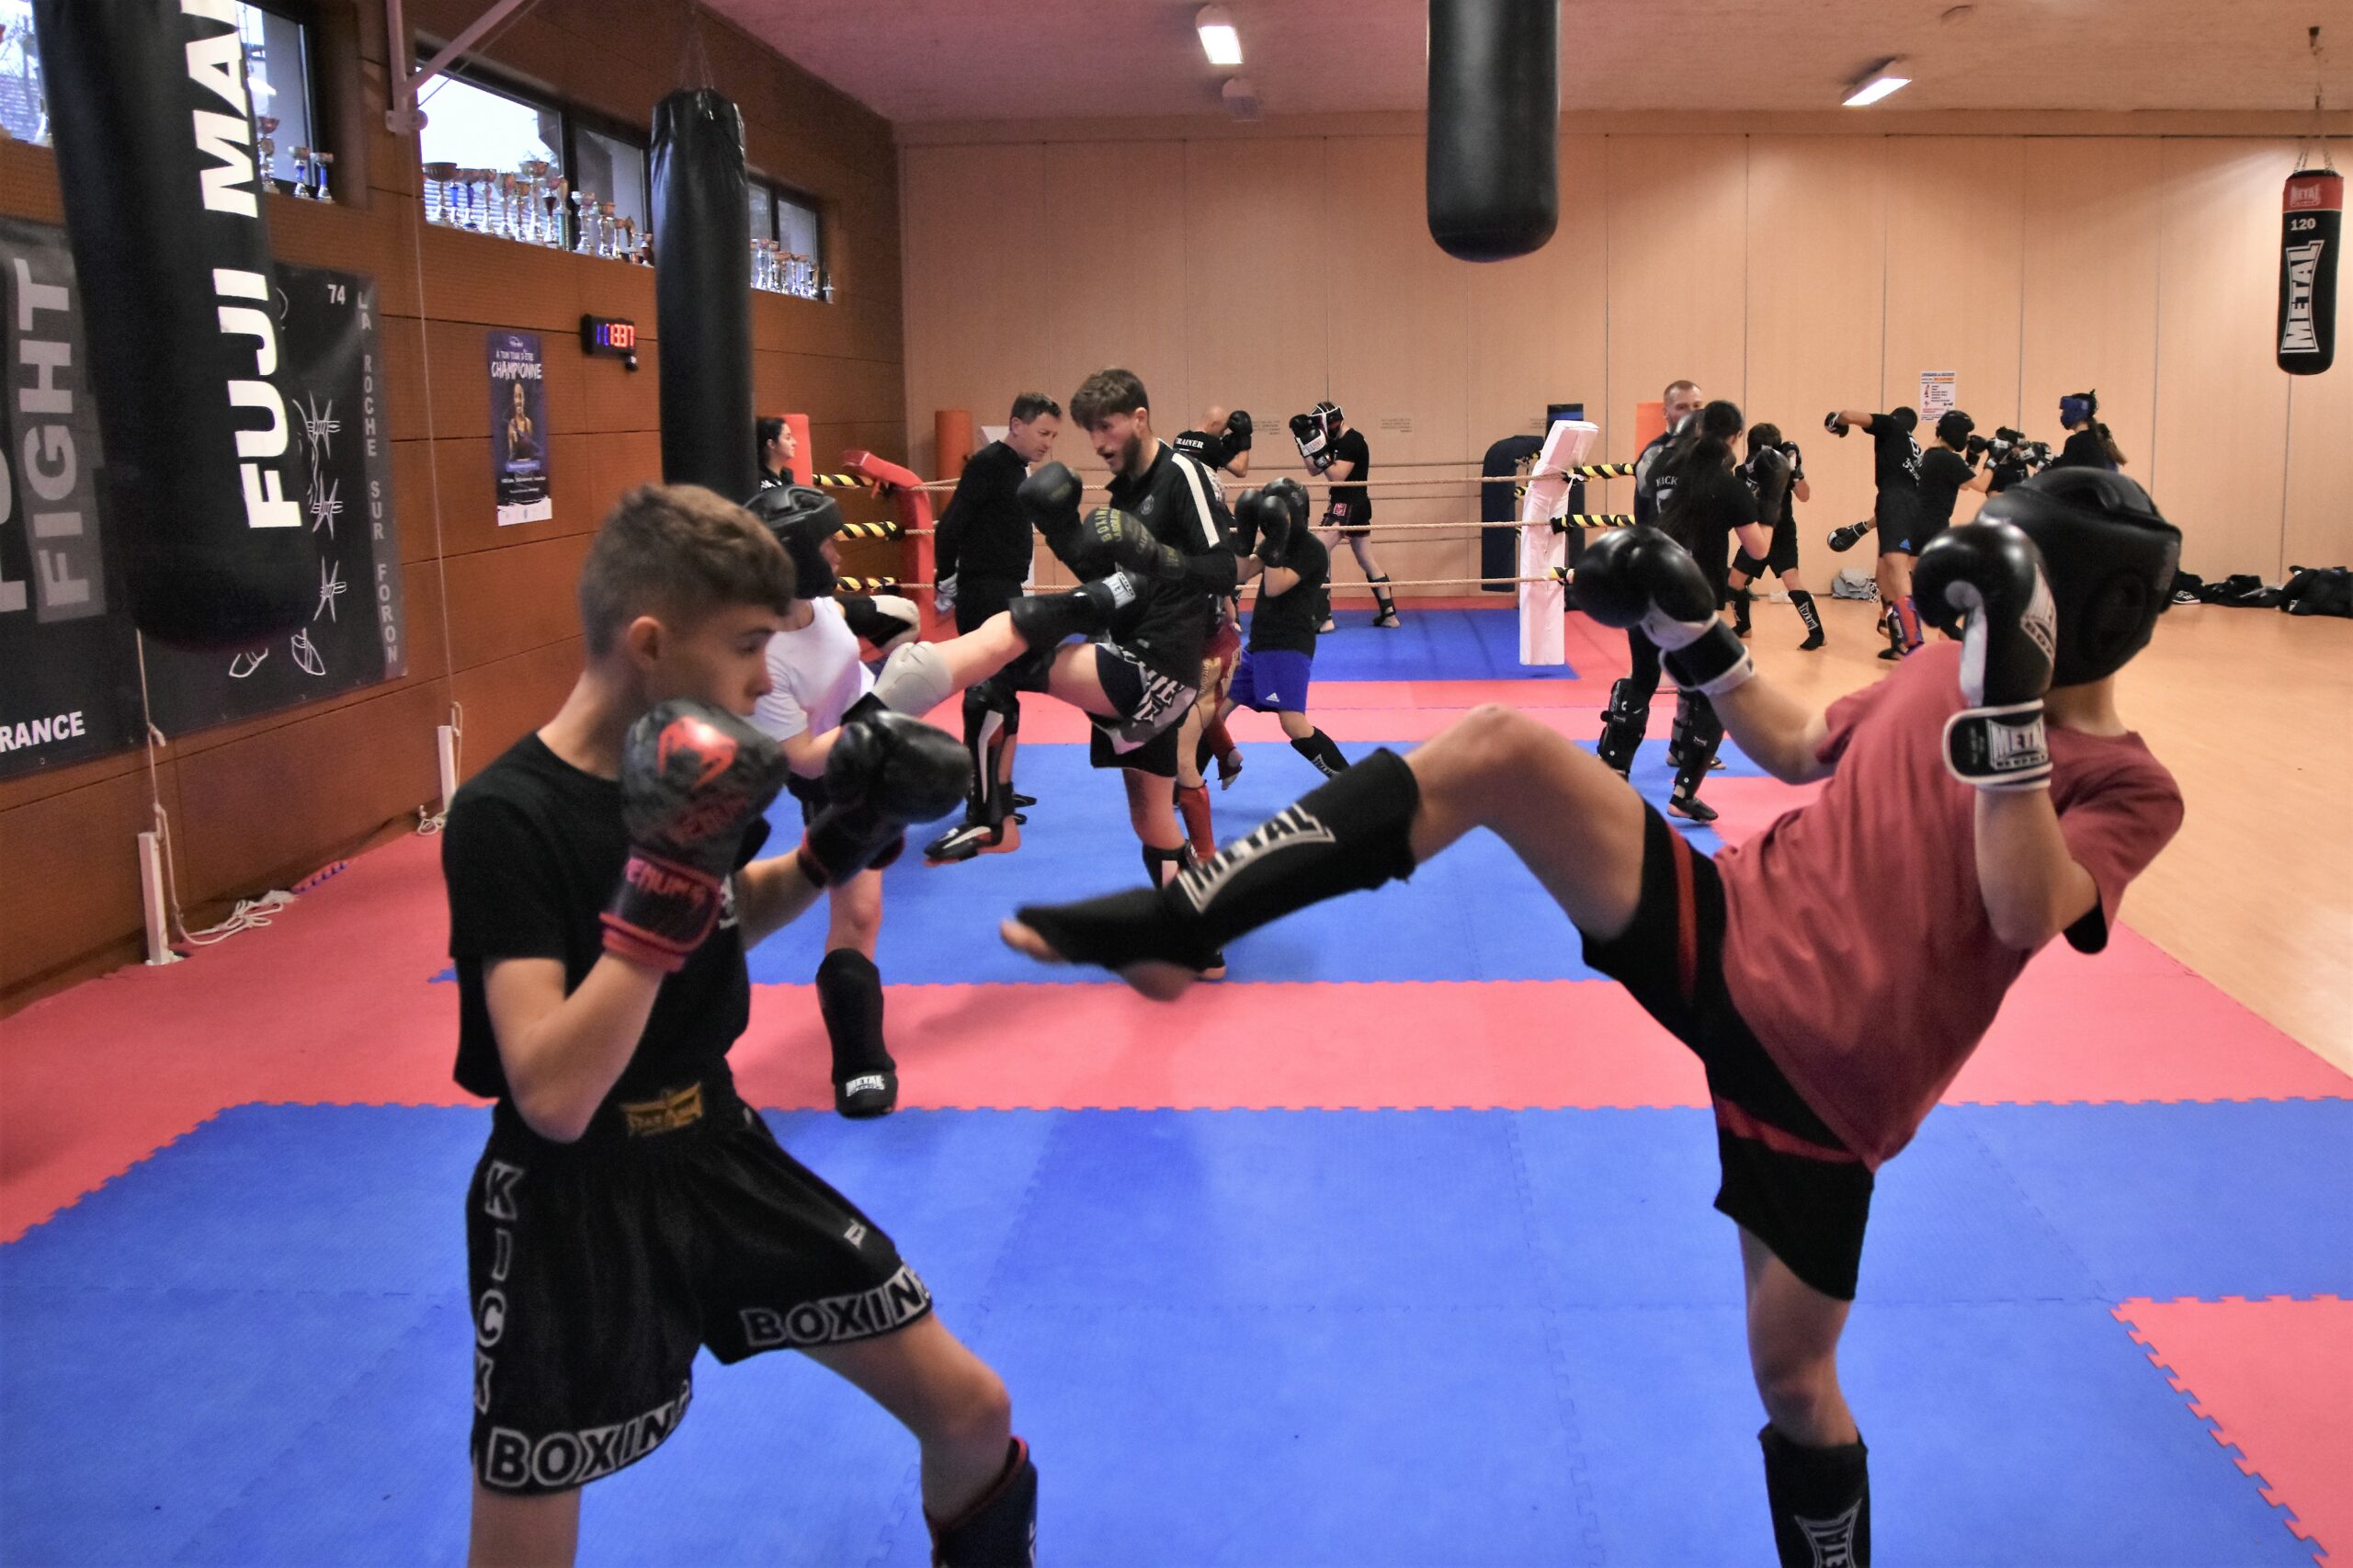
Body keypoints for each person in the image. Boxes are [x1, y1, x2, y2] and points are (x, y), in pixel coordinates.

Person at [1003, 466, 2187, 1568]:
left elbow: (2023, 905)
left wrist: (2009, 707)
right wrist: (1690, 630)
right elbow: (1793, 746)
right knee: (1502, 748)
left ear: (2088, 609)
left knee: (1793, 1381)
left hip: (1831, 1080)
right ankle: (1187, 915)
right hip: (1727, 927)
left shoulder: (2129, 785)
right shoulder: (1935, 670)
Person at [441, 483, 1035, 1566]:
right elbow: (553, 1092)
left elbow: (718, 919)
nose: (766, 679)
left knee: (970, 1409)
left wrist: (827, 850)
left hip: (718, 1147)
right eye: (748, 645)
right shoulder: (506, 817)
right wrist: (662, 884)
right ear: (651, 644)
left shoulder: (690, 768)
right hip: (572, 1197)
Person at [914, 370, 1238, 917]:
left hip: (1156, 663)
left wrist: (1159, 557)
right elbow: (1107, 578)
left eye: (1106, 427)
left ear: (1139, 418)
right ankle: (1197, 935)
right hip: (1132, 650)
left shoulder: (1183, 475)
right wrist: (1061, 527)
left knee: (1002, 664)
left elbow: (1225, 568)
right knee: (1151, 820)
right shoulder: (1125, 491)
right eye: (1090, 431)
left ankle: (993, 818)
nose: (1098, 442)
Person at [745, 485, 926, 1119]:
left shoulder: (815, 602)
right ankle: (859, 1062)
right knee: (860, 914)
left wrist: (876, 616)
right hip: (834, 767)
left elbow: (835, 635)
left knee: (865, 914)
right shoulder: (763, 653)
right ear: (795, 557)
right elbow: (800, 756)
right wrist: (883, 721)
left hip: (868, 734)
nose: (839, 554)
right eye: (826, 545)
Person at [928, 393, 1063, 844]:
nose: (1047, 443)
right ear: (1016, 425)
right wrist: (945, 577)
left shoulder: (1014, 469)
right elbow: (952, 523)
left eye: (1053, 435)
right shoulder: (988, 465)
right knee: (988, 694)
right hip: (983, 590)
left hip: (1003, 589)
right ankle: (980, 797)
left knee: (1006, 691)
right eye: (1042, 433)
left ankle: (999, 788)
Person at [1646, 400, 1772, 824]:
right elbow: (1759, 549)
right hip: (1696, 594)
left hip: (1652, 583)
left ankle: (1667, 751)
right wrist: (1772, 501)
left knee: (1665, 677)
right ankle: (1684, 792)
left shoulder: (1667, 469)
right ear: (1736, 437)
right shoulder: (1727, 485)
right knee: (1719, 690)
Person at [1596, 379, 1708, 781]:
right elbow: (1651, 507)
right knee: (1646, 672)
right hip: (1654, 578)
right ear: (1666, 413)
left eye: (1697, 405)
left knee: (1696, 671)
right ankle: (1615, 761)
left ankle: (1683, 748)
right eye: (1682, 407)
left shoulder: (1710, 457)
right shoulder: (1656, 457)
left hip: (1694, 581)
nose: (1691, 413)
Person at [1222, 480, 1349, 776]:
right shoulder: (1274, 543)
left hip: (1289, 647)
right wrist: (1244, 537)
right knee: (1214, 712)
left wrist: (1275, 543)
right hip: (1259, 645)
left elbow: (1275, 586)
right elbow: (1241, 573)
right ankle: (1189, 786)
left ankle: (1349, 783)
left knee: (1293, 723)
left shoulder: (1312, 550)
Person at [1824, 405, 1926, 659]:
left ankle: (1915, 644)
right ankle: (1897, 642)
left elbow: (1848, 415)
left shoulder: (1891, 426)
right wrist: (1864, 527)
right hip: (1903, 504)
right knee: (1883, 578)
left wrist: (1836, 423)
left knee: (1897, 570)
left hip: (1894, 500)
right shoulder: (1913, 448)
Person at [1291, 401, 1398, 631]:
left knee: (1317, 551)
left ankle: (1325, 618)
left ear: (1326, 422)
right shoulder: (1335, 441)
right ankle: (1389, 615)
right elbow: (1313, 470)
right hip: (1353, 505)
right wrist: (1304, 444)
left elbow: (1337, 476)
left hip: (1347, 504)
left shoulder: (1352, 440)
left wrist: (1320, 453)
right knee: (1366, 560)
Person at [1725, 424, 1824, 651]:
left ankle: (1817, 633)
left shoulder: (1783, 469)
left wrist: (1796, 472)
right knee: (1735, 581)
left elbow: (1804, 496)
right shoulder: (1742, 471)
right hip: (1756, 534)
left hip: (1782, 533)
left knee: (1792, 580)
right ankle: (1743, 627)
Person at [1915, 411, 1993, 565]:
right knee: (1935, 569)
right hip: (1933, 523)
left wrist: (1973, 458)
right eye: (1965, 433)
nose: (1967, 438)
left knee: (1920, 569)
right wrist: (1994, 460)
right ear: (1956, 433)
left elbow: (1963, 485)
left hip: (1919, 521)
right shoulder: (1949, 458)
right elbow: (1981, 485)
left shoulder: (1931, 454)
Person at [2050, 389, 2127, 471]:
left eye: (2065, 411)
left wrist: (2045, 464)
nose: (2062, 415)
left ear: (2076, 410)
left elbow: (2063, 472)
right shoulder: (2102, 439)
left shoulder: (2076, 441)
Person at [1172, 405, 1255, 482]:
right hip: (1200, 491)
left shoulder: (1180, 438)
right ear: (1214, 424)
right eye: (1222, 430)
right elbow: (1241, 471)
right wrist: (1244, 437)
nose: (1222, 434)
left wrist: (1226, 450)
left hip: (1178, 489)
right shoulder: (1212, 443)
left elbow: (1200, 453)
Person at [756, 416, 799, 490]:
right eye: (788, 438)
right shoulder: (756, 480)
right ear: (772, 444)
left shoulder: (787, 476)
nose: (795, 442)